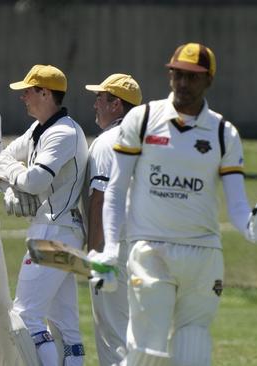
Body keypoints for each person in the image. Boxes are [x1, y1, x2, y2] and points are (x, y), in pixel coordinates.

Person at [98, 43, 257, 365]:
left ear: (209, 80)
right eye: (178, 75)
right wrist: (111, 248)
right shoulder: (143, 118)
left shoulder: (222, 132)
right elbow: (116, 190)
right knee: (147, 350)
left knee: (193, 350)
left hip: (203, 255)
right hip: (150, 249)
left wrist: (255, 233)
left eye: (193, 77)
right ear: (170, 75)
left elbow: (239, 206)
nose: (184, 84)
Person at [0, 63, 89, 365]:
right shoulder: (39, 128)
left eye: (28, 91)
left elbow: (35, 181)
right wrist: (10, 188)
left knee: (25, 316)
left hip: (54, 232)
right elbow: (3, 156)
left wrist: (12, 176)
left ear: (45, 93)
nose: (23, 97)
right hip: (63, 231)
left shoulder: (62, 133)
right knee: (65, 325)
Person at [83, 73, 142, 366]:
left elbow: (100, 201)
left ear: (116, 104)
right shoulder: (150, 142)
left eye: (100, 98)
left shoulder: (108, 142)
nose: (95, 105)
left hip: (114, 252)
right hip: (149, 251)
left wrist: (94, 256)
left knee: (113, 336)